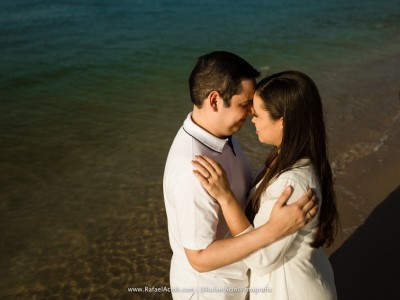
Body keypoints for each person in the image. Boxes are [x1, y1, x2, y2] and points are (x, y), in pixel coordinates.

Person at [163, 51, 318, 300]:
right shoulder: (193, 169)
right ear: (214, 101)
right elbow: (200, 258)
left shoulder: (222, 135)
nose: (251, 114)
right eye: (245, 105)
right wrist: (273, 230)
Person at [192, 70, 339, 299]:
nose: (252, 120)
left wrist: (225, 196)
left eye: (258, 114)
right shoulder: (286, 157)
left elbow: (260, 259)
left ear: (283, 122)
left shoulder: (292, 185)